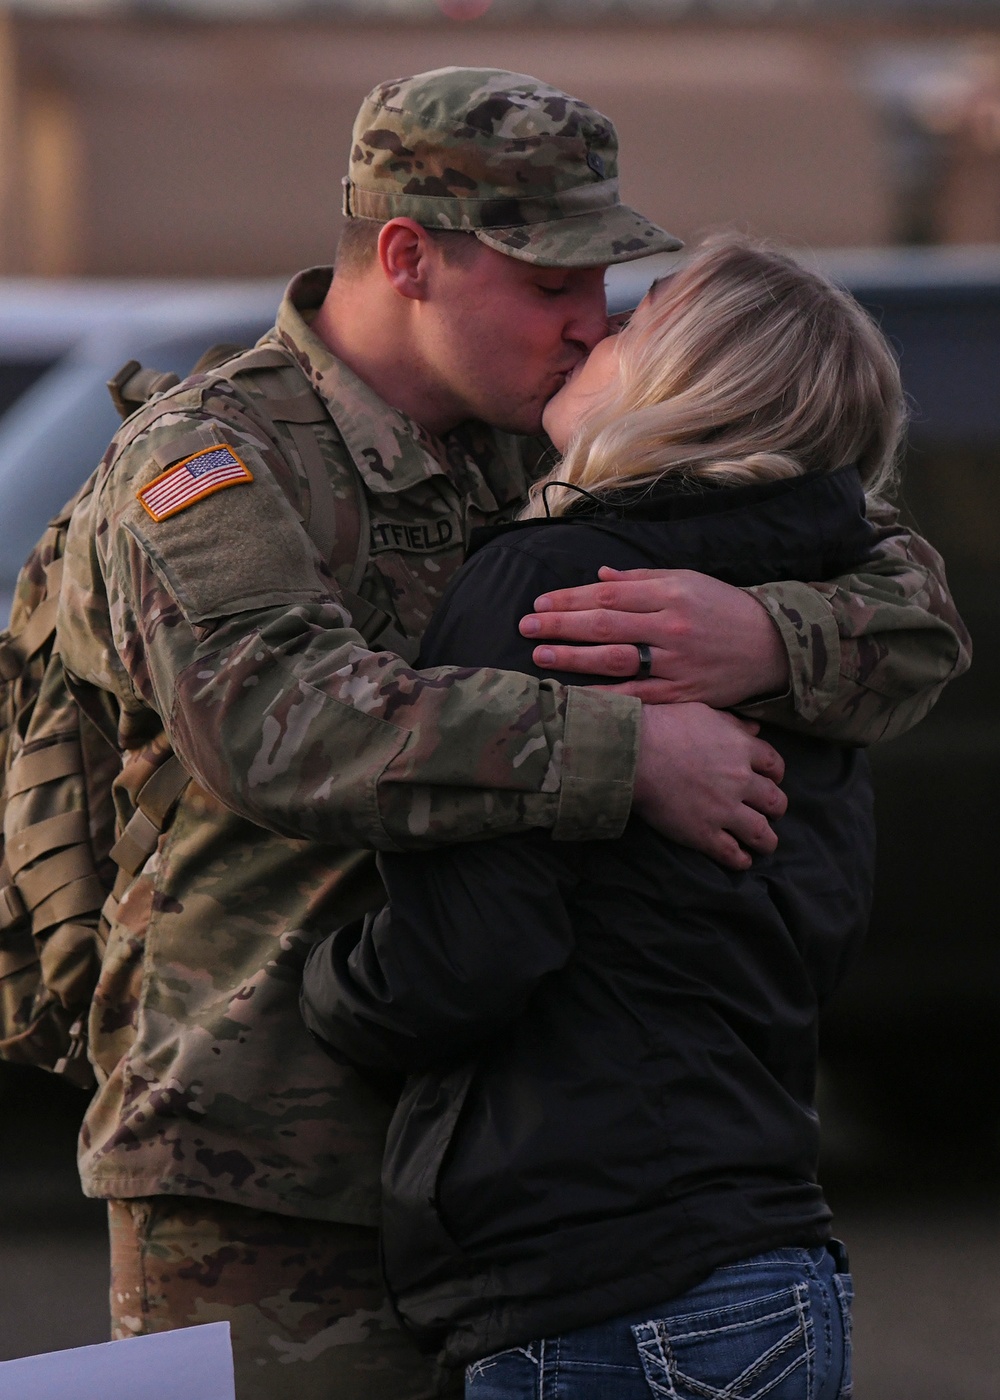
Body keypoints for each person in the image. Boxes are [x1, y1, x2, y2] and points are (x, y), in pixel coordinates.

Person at [54, 68, 967, 1400]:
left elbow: (914, 607)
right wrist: (631, 754)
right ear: (410, 258)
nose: (590, 326)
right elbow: (273, 719)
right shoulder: (218, 463)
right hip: (259, 1161)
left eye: (602, 287)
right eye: (551, 287)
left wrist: (770, 638)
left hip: (507, 1167)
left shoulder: (548, 445)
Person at [300, 235, 919, 1399]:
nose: (594, 330)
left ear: (690, 378)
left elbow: (473, 942)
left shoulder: (555, 579)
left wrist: (329, 992)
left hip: (599, 1273)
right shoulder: (838, 615)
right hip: (772, 1257)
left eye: (636, 321)